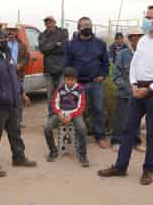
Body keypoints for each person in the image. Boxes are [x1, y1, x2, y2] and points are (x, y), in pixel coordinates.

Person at [98, 5, 153, 185]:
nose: (145, 20)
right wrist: (134, 85)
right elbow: (134, 64)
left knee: (152, 132)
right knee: (128, 129)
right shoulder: (143, 41)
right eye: (145, 16)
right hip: (137, 90)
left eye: (149, 17)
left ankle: (148, 170)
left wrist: (150, 89)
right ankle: (120, 167)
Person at [0, 27, 37, 177]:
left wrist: (22, 92)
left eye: (5, 38)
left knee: (15, 133)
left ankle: (19, 158)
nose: (4, 40)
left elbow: (14, 77)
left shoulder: (7, 55)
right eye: (1, 39)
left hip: (14, 103)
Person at [65, 17, 110, 149]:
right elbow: (67, 64)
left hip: (95, 83)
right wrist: (70, 80)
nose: (86, 27)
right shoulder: (71, 44)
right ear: (78, 28)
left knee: (98, 109)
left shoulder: (100, 44)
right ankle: (78, 136)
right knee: (76, 111)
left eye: (88, 25)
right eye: (83, 25)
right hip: (77, 84)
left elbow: (105, 62)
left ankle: (100, 136)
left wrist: (103, 75)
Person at [44, 67, 88, 167]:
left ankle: (83, 155)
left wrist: (71, 115)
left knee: (82, 128)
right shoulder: (60, 89)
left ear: (76, 80)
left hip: (74, 113)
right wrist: (59, 113)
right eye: (67, 79)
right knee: (47, 127)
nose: (69, 82)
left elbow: (81, 106)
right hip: (61, 113)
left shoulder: (80, 89)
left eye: (72, 80)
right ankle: (53, 151)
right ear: (64, 79)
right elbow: (54, 103)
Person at [111, 28, 145, 153]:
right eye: (133, 37)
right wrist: (128, 87)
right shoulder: (122, 54)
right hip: (124, 93)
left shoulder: (145, 54)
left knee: (136, 119)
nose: (135, 39)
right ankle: (116, 141)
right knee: (121, 118)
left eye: (138, 37)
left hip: (140, 94)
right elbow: (116, 75)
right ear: (130, 39)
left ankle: (135, 142)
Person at [38, 16, 69, 116]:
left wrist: (50, 47)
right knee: (50, 96)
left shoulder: (63, 32)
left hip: (61, 69)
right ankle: (51, 117)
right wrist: (56, 43)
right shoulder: (42, 35)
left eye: (50, 22)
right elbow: (42, 49)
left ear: (55, 22)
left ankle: (61, 116)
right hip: (49, 70)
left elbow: (64, 48)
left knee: (62, 94)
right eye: (46, 23)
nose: (49, 24)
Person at [6, 26, 30, 127]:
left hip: (18, 74)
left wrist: (20, 65)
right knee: (6, 98)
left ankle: (18, 121)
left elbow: (26, 57)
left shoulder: (22, 45)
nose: (10, 32)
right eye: (8, 30)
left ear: (16, 32)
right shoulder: (3, 44)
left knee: (18, 98)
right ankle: (6, 121)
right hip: (6, 74)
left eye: (12, 30)